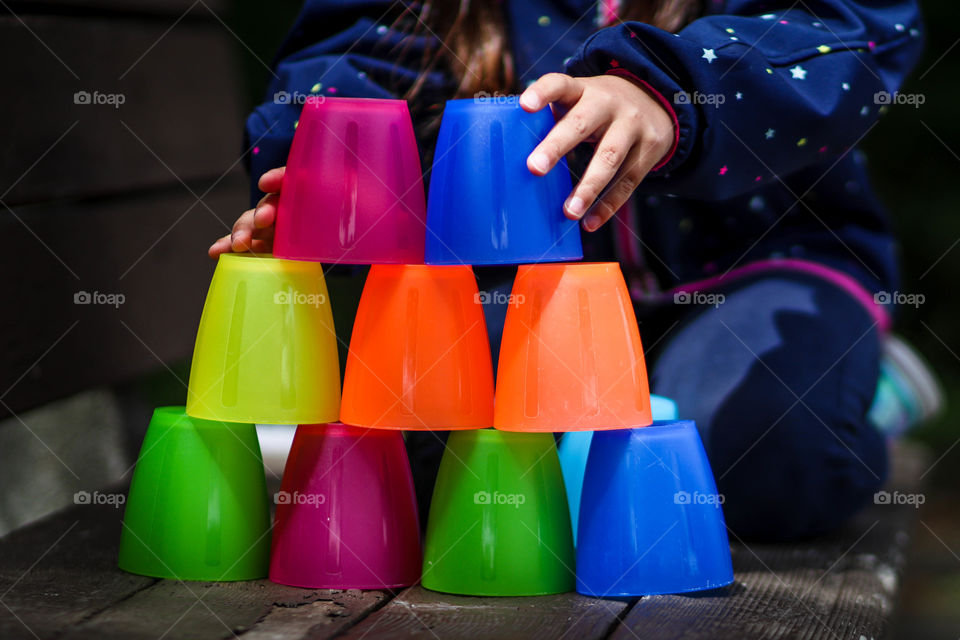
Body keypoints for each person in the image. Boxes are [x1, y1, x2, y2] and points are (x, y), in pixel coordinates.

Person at [211, 0, 939, 541]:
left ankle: (862, 387)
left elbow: (853, 34)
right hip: (531, 284)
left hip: (758, 272)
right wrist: (327, 176)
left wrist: (665, 88)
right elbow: (355, 62)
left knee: (769, 463)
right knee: (442, 464)